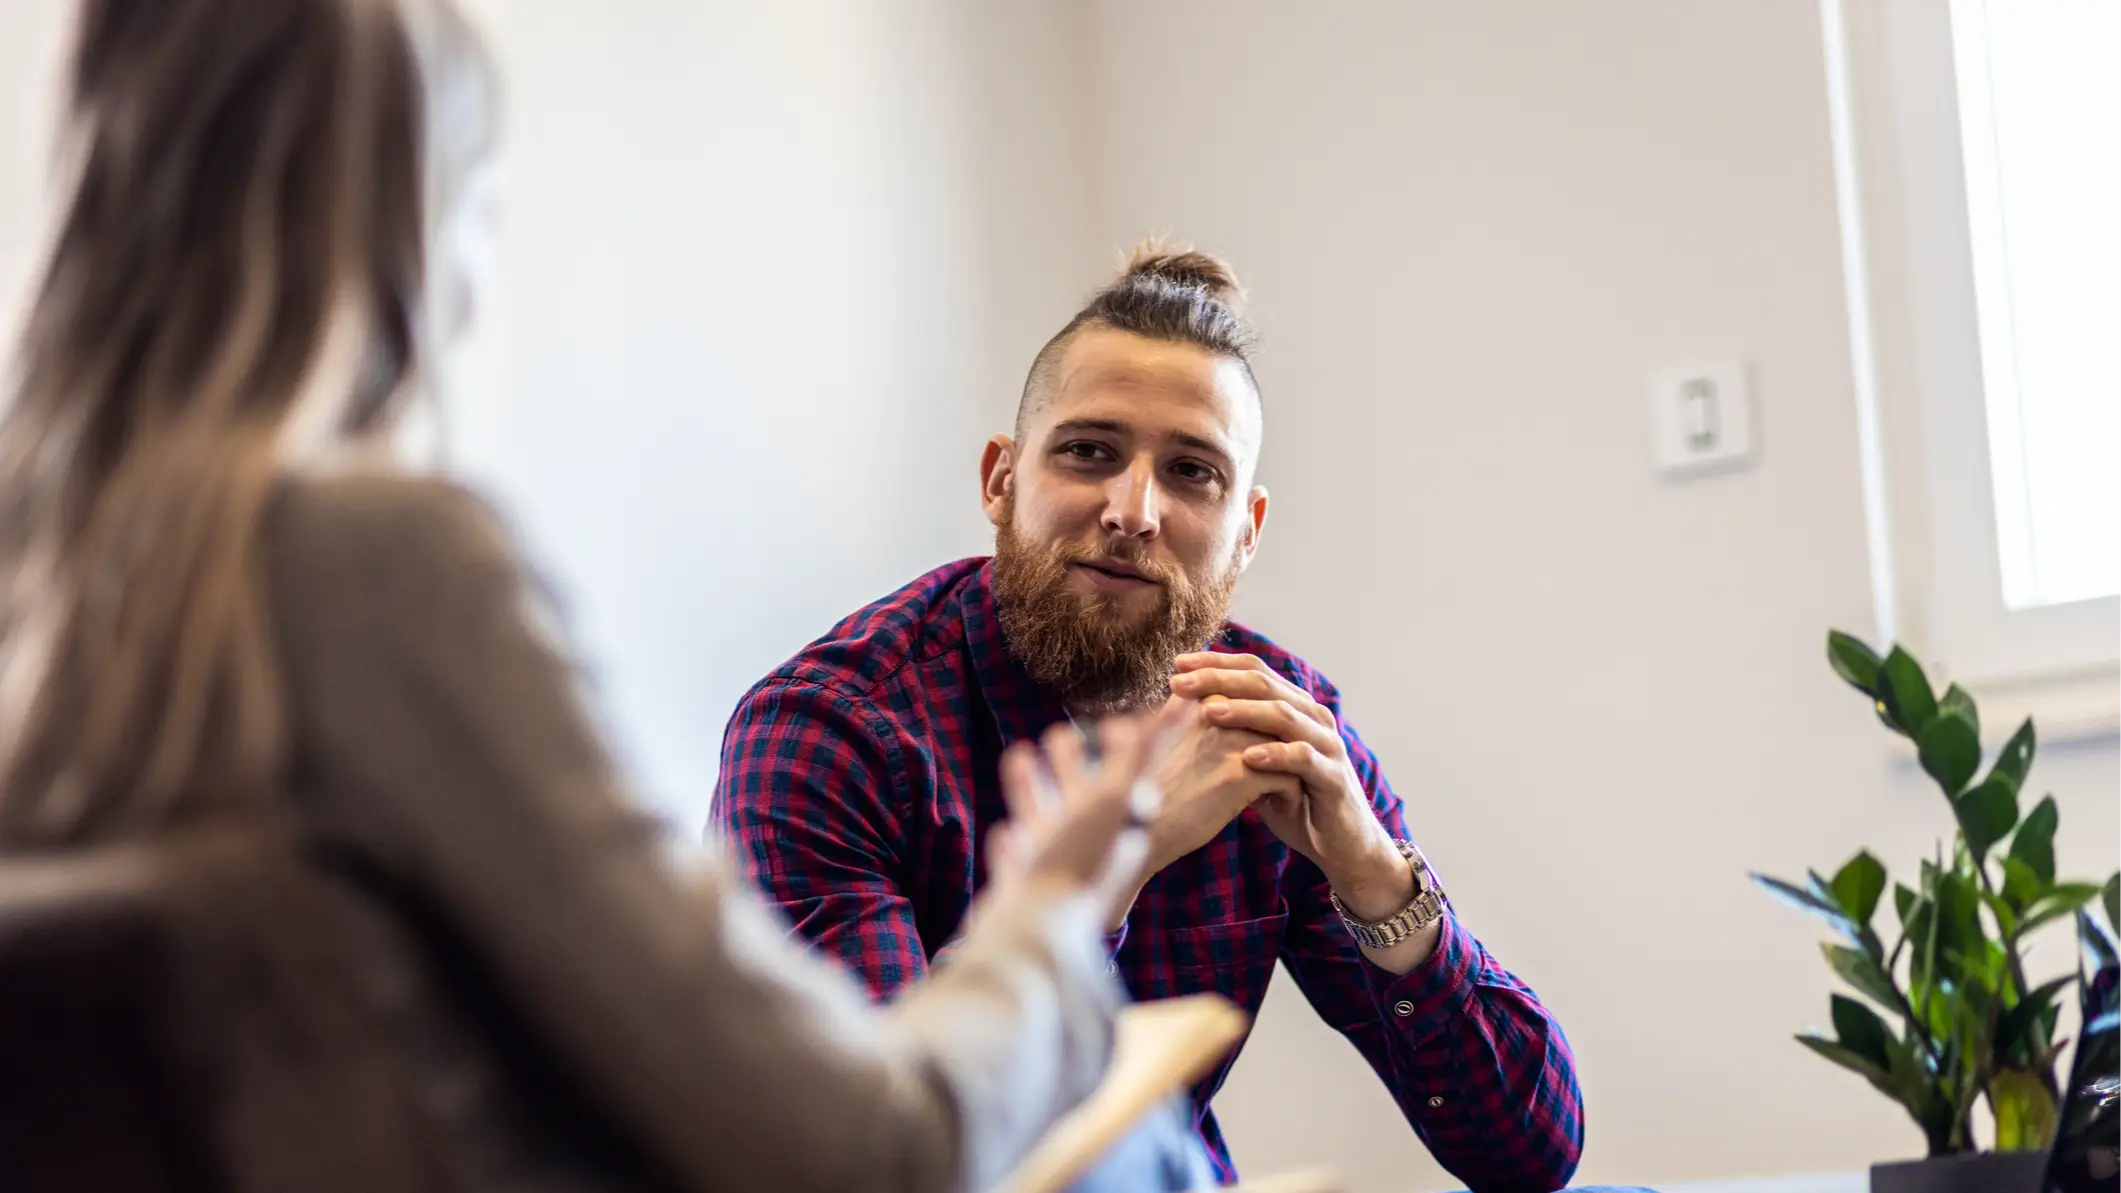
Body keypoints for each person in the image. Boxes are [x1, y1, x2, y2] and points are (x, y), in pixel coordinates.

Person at [0, 2, 1181, 1191]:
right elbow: (866, 1152)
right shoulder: (364, 568)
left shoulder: (46, 605)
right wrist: (1055, 906)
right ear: (415, 227)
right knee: (1146, 1149)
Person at [715, 244, 1587, 1192]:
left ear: (1245, 530)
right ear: (1001, 481)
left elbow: (1527, 1155)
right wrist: (1115, 866)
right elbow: (876, 1160)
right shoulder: (827, 731)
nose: (1134, 510)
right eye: (1089, 451)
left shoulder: (1277, 724)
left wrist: (1374, 877)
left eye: (1191, 472)